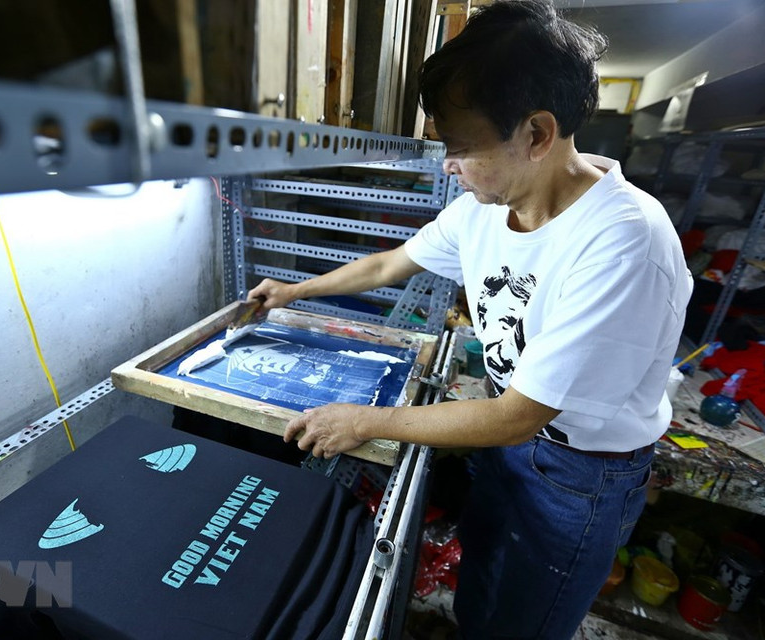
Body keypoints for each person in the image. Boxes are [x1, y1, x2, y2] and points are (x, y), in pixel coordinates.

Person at [248, 0, 693, 637]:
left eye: (460, 147)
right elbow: (388, 265)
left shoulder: (624, 240)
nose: (447, 165)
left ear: (537, 134)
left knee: (524, 624)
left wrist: (368, 422)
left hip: (578, 473)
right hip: (506, 443)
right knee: (480, 591)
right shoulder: (485, 206)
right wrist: (294, 291)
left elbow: (522, 414)